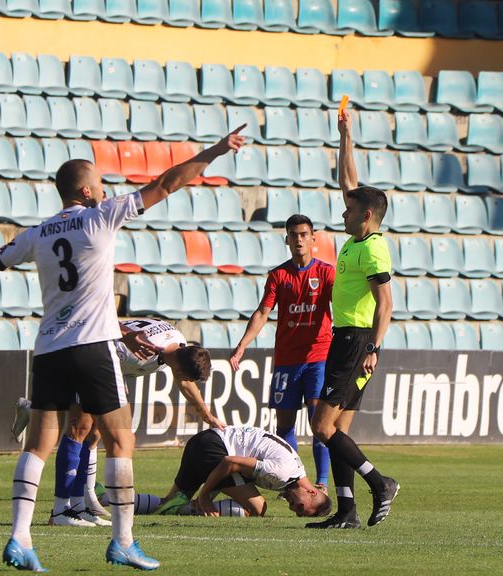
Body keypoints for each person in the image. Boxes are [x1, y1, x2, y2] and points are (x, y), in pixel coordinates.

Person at [0, 125, 247, 572]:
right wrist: (217, 149)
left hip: (48, 348)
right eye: (100, 182)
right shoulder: (100, 215)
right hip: (91, 345)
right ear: (86, 190)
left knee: (39, 444)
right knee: (121, 439)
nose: (106, 188)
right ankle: (123, 541)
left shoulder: (38, 232)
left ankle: (20, 539)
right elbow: (167, 183)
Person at [11, 317, 226, 527]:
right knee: (80, 427)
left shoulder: (178, 345)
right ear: (179, 370)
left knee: (95, 432)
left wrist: (206, 414)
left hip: (109, 363)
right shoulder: (140, 352)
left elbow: (183, 381)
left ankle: (82, 503)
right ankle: (61, 508)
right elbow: (98, 344)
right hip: (85, 351)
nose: (185, 381)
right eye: (187, 377)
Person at [305, 107, 399, 530]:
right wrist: (346, 135)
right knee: (338, 428)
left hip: (357, 342)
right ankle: (346, 510)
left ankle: (380, 483)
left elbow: (386, 304)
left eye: (349, 210)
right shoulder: (360, 235)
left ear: (365, 216)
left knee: (322, 426)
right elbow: (349, 184)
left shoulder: (374, 249)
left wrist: (373, 349)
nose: (342, 213)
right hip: (348, 338)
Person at [229, 213, 334, 492]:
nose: (299, 240)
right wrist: (242, 345)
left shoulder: (325, 273)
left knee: (318, 420)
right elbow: (263, 312)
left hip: (318, 357)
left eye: (304, 234)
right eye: (293, 235)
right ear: (286, 239)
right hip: (287, 360)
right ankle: (293, 480)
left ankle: (321, 483)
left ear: (313, 238)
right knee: (284, 422)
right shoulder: (278, 275)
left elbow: (343, 307)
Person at [148, 425, 331, 520]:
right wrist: (204, 496)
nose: (292, 508)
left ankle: (123, 503)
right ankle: (189, 507)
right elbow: (230, 462)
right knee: (258, 508)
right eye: (300, 507)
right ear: (312, 492)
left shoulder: (294, 472)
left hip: (203, 442)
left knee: (169, 503)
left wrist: (210, 492)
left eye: (297, 513)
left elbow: (236, 471)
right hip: (213, 449)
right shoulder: (282, 473)